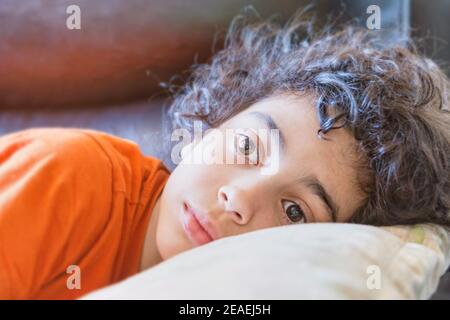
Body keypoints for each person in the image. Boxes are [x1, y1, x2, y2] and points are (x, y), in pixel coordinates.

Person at [0, 8, 449, 299]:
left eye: (294, 211)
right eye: (248, 146)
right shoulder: (71, 177)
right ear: (211, 123)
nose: (239, 199)